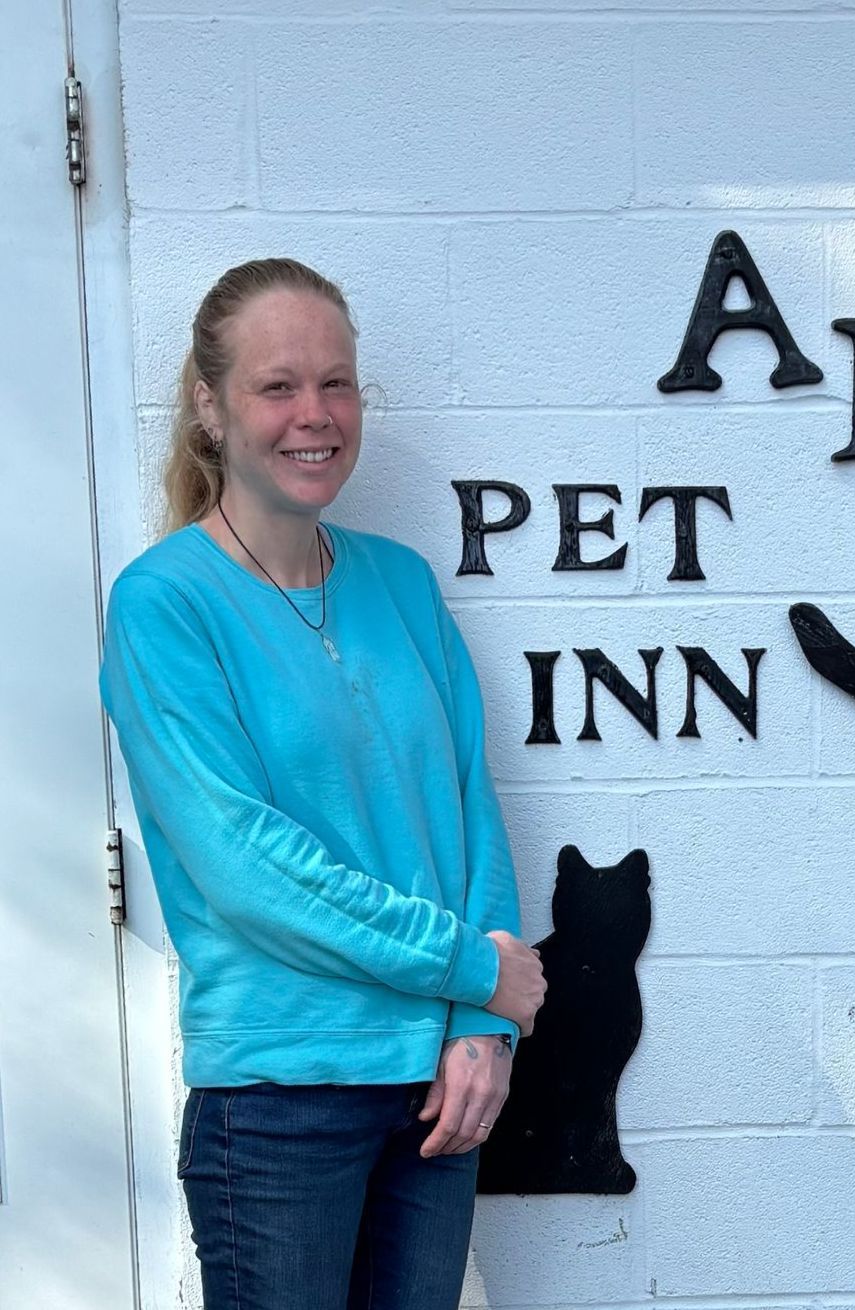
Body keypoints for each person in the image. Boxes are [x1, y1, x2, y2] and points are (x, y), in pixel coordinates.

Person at [100, 258, 546, 1310]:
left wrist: (480, 1026)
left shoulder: (402, 581)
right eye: (278, 386)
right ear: (211, 408)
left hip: (436, 1088)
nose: (315, 414)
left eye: (336, 383)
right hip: (280, 1105)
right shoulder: (165, 604)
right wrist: (471, 969)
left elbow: (467, 809)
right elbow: (246, 867)